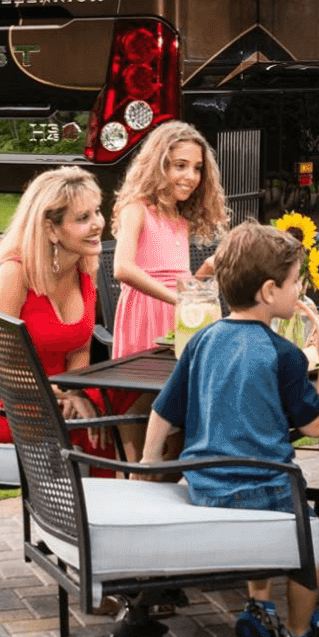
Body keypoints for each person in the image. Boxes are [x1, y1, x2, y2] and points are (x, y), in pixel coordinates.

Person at [139, 222, 319, 637]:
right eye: (297, 282)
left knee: (270, 508)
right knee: (315, 538)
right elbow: (314, 425)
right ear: (271, 291)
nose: (302, 289)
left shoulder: (202, 340)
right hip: (264, 488)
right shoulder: (284, 354)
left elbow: (163, 414)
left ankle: (261, 607)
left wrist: (146, 470)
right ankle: (298, 636)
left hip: (205, 486)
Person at [0, 166, 115, 468]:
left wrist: (76, 395)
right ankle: (98, 512)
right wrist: (62, 395)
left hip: (57, 400)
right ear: (50, 229)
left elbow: (80, 348)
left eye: (97, 212)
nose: (98, 223)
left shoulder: (86, 267)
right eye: (83, 218)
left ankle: (124, 504)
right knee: (105, 429)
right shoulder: (14, 272)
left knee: (130, 409)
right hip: (6, 406)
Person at [109, 122, 229, 461]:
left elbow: (179, 279)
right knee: (146, 398)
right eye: (180, 165)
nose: (190, 176)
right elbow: (123, 268)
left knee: (173, 405)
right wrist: (179, 299)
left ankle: (160, 468)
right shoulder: (138, 208)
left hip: (176, 318)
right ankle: (137, 468)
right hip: (146, 315)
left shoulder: (180, 218)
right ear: (158, 165)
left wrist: (204, 273)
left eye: (197, 168)